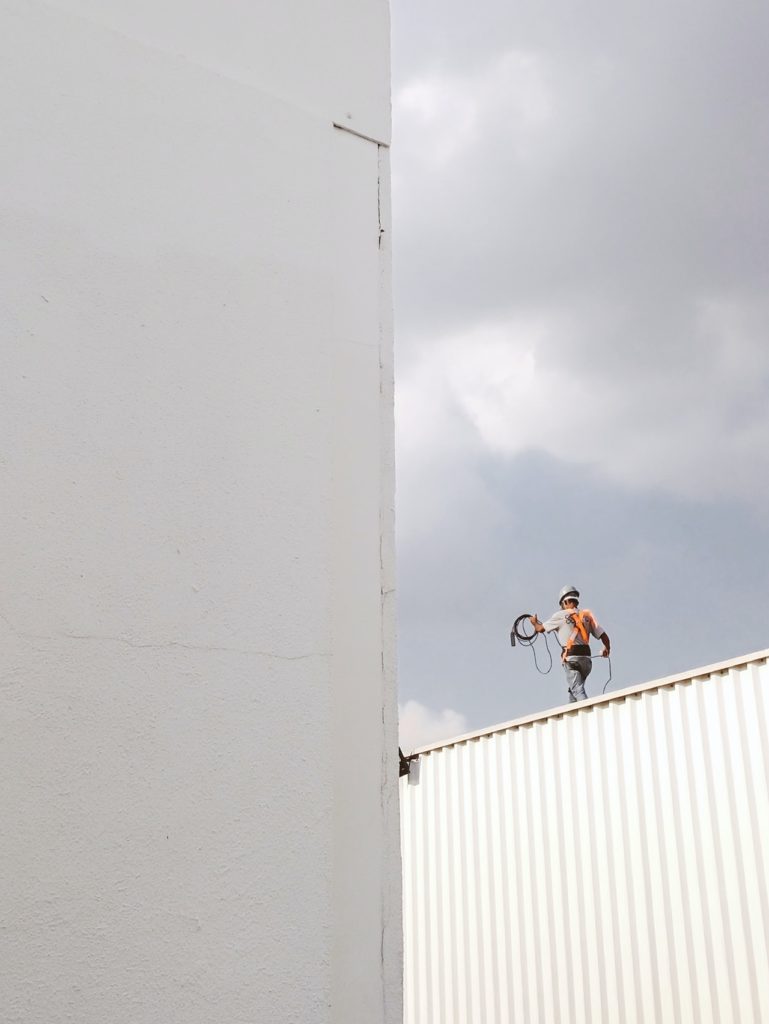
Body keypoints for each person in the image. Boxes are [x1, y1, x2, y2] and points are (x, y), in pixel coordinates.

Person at [529, 585, 610, 703]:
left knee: (578, 690)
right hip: (587, 660)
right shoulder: (586, 616)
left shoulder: (560, 615)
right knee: (574, 691)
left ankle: (589, 713)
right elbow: (604, 636)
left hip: (572, 658)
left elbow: (540, 629)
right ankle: (572, 718)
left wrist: (534, 622)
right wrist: (607, 648)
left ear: (565, 601)